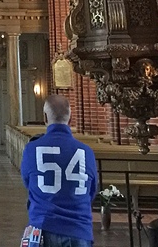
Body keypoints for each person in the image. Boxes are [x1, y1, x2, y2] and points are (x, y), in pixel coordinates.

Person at [20, 95, 98, 247]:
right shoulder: (86, 152)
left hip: (43, 226)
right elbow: (92, 190)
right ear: (71, 118)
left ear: (45, 117)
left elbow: (28, 183)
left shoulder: (32, 149)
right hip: (79, 229)